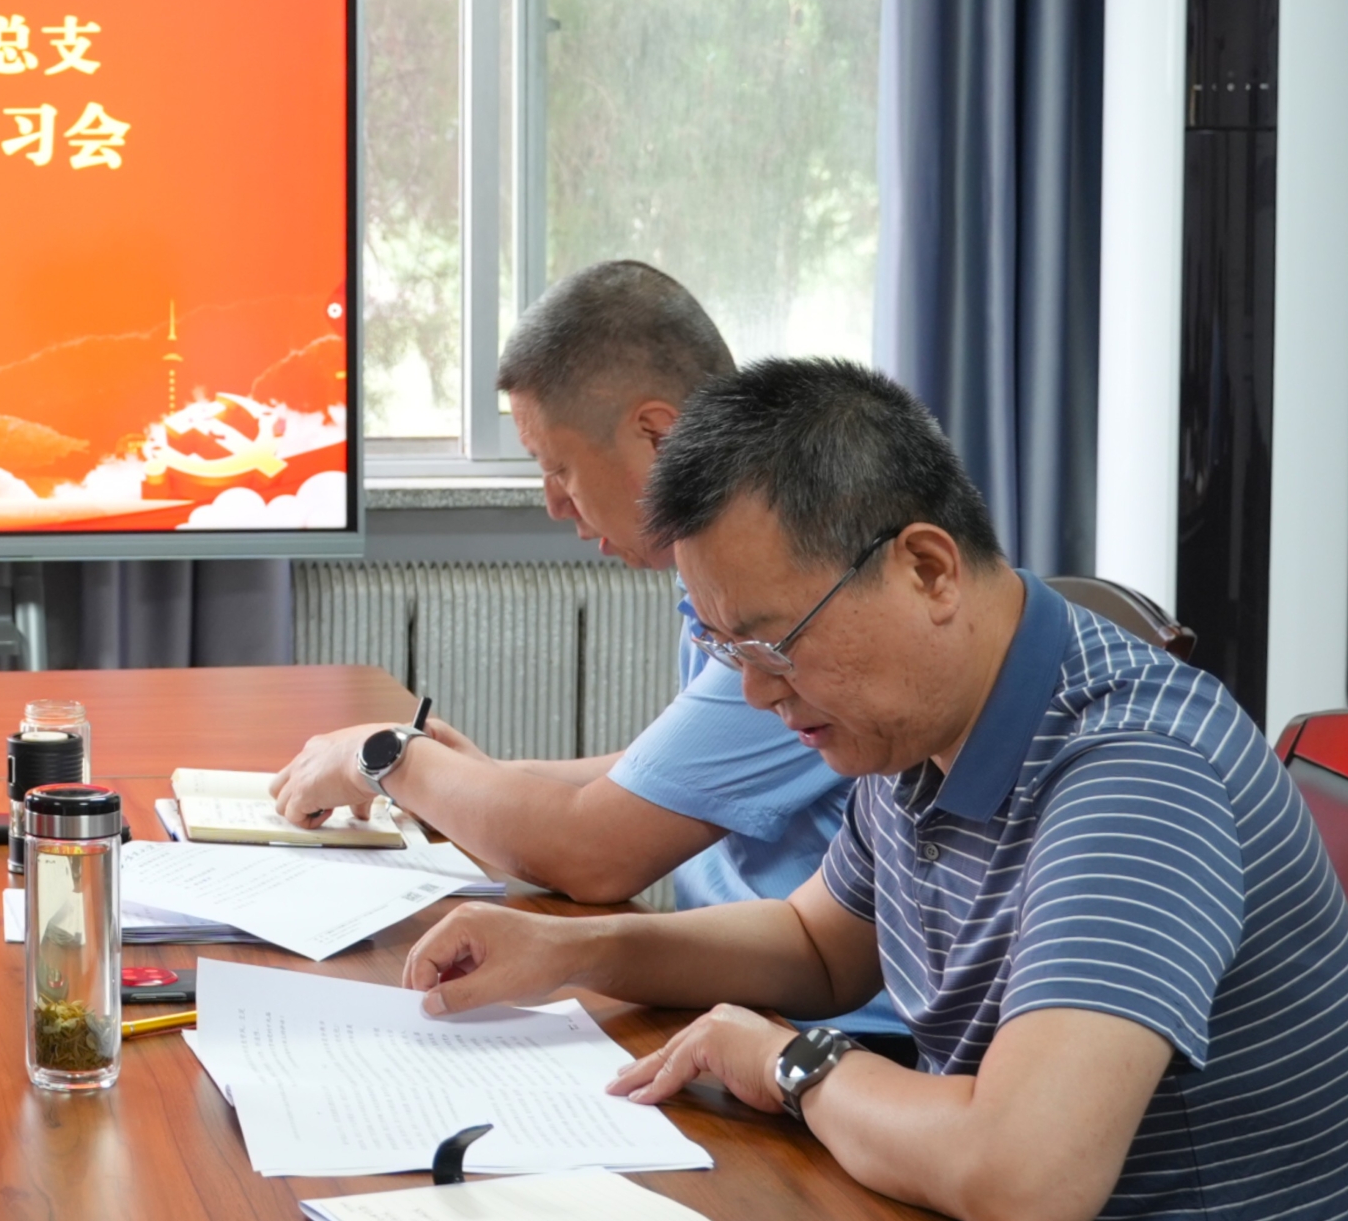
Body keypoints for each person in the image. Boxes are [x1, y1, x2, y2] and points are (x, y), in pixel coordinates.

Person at [402, 358, 1348, 1221]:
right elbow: (816, 944)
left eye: (774, 646)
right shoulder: (918, 720)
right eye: (727, 651)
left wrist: (790, 1062)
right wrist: (576, 952)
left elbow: (1023, 1174)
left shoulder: (1134, 772)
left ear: (926, 570)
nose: (758, 694)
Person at [272, 264, 905, 1044]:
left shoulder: (795, 593)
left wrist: (389, 759)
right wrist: (488, 780)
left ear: (657, 434)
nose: (552, 503)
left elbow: (595, 850)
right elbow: (657, 775)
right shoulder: (718, 574)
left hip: (829, 1030)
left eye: (560, 468)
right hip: (731, 996)